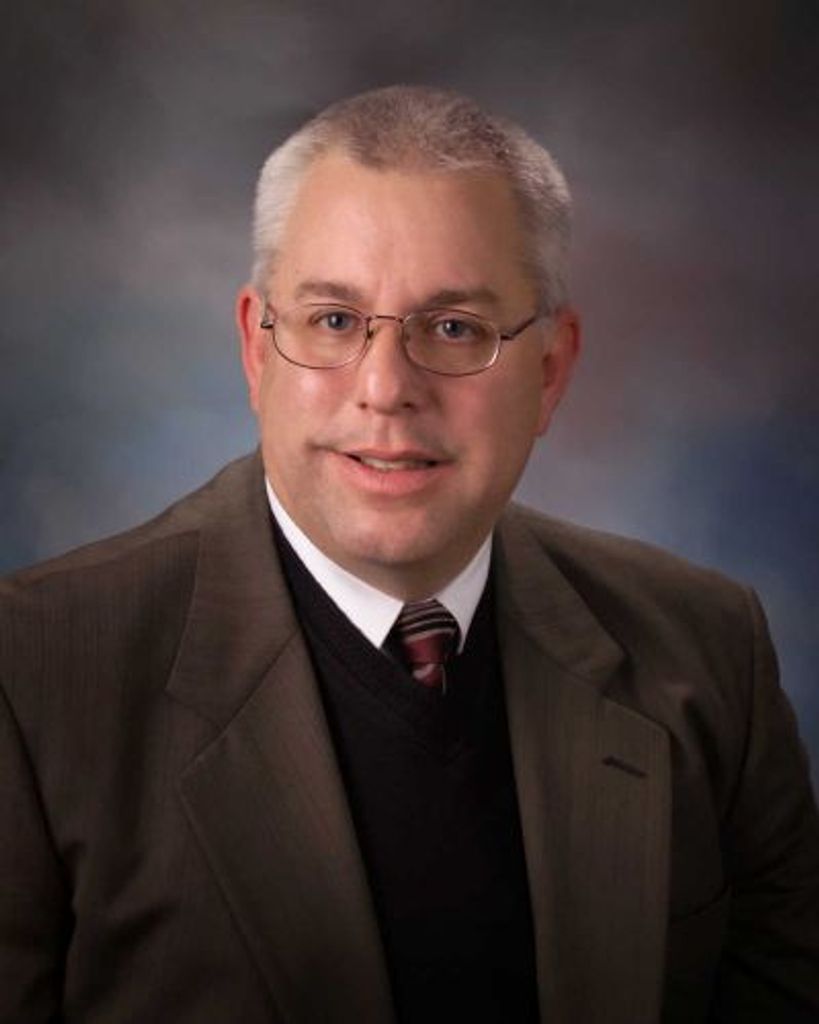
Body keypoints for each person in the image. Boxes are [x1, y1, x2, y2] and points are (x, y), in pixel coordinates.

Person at [1, 85, 817, 1024]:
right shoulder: (33, 675)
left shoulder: (704, 652)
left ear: (550, 370)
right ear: (258, 352)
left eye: (455, 328)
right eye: (334, 321)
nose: (385, 389)